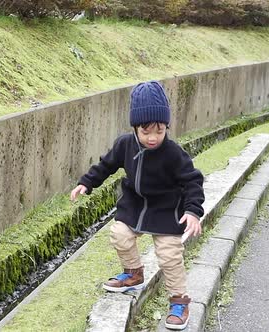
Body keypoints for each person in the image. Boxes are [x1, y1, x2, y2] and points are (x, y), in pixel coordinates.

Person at [70, 81, 205, 330]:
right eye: (146, 132)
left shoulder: (174, 153)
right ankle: (134, 274)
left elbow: (193, 181)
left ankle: (179, 301)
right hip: (134, 205)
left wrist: (192, 211)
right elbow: (106, 165)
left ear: (167, 127)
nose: (153, 138)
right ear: (135, 128)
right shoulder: (124, 144)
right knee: (119, 234)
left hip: (166, 210)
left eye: (160, 131)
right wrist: (87, 183)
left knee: (169, 256)